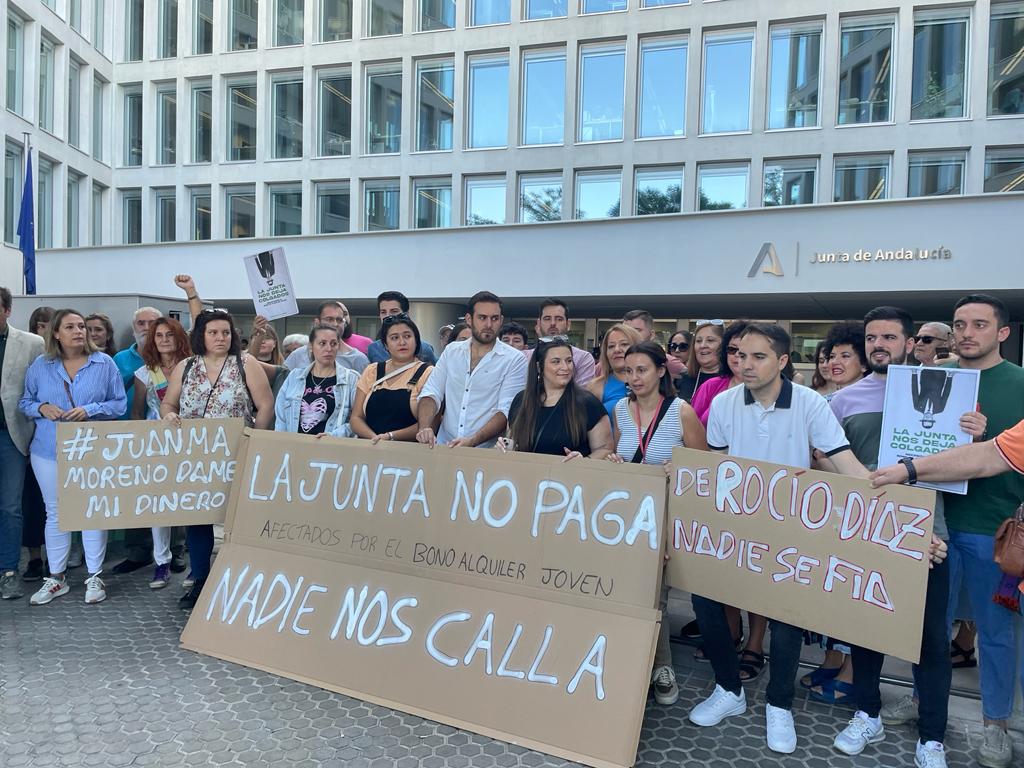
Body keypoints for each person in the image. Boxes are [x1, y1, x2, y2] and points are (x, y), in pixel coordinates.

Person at [688, 323, 870, 755]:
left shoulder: (810, 404)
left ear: (783, 361)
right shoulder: (726, 402)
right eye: (739, 355)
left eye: (758, 357)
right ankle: (729, 690)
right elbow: (716, 464)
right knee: (706, 602)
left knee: (785, 619)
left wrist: (899, 516)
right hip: (732, 530)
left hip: (790, 536)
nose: (745, 364)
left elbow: (848, 467)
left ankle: (779, 704)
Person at [882, 294, 1024, 768]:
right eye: (960, 324)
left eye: (980, 324)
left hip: (993, 529)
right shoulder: (926, 379)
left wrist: (984, 438)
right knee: (929, 628)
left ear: (1002, 332)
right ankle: (926, 702)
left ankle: (996, 724)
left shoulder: (1020, 383)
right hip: (931, 524)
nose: (967, 333)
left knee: (997, 631)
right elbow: (904, 440)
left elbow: (996, 457)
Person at [825, 306, 958, 767]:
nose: (879, 344)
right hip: (863, 533)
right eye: (872, 337)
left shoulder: (948, 391)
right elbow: (824, 461)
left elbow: (968, 458)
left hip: (929, 537)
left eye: (889, 336)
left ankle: (932, 737)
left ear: (910, 342)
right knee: (866, 631)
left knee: (930, 640)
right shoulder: (842, 400)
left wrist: (976, 429)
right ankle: (868, 714)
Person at [604, 341, 707, 707]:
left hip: (665, 516)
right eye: (628, 371)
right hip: (627, 516)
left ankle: (661, 667)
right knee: (627, 589)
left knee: (655, 593)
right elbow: (620, 454)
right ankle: (632, 661)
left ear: (661, 371)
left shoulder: (682, 412)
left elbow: (702, 467)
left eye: (642, 370)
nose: (634, 378)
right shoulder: (619, 408)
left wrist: (682, 468)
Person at [161, 309, 274, 610]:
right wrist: (170, 415)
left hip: (238, 453)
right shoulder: (186, 367)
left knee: (237, 519)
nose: (221, 338)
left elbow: (265, 406)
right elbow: (169, 403)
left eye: (226, 332)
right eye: (213, 332)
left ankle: (238, 582)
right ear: (201, 336)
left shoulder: (246, 364)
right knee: (197, 521)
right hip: (194, 458)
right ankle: (200, 579)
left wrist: (256, 441)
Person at [19, 310, 126, 605]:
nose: (79, 331)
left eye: (81, 326)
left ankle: (94, 576)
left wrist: (90, 410)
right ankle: (57, 578)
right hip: (48, 449)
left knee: (92, 509)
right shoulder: (41, 365)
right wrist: (41, 407)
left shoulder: (104, 364)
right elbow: (24, 401)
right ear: (56, 333)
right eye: (70, 327)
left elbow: (119, 404)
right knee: (56, 512)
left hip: (92, 449)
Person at [416, 291, 527, 449]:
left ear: (501, 320)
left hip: (485, 453)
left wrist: (472, 441)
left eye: (494, 318)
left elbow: (506, 410)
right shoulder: (451, 351)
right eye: (482, 318)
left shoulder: (514, 359)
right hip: (443, 447)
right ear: (469, 319)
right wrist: (424, 428)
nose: (489, 324)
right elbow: (431, 392)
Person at [131, 318, 192, 590]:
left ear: (180, 338)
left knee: (193, 503)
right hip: (158, 446)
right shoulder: (146, 373)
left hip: (192, 443)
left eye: (170, 334)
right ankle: (161, 561)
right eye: (159, 335)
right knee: (159, 505)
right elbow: (137, 412)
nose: (165, 339)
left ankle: (196, 563)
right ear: (152, 340)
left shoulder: (194, 368)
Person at [109, 305, 164, 576]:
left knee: (168, 494)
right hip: (131, 434)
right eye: (140, 323)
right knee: (137, 494)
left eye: (151, 322)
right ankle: (138, 551)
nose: (146, 327)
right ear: (134, 328)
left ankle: (170, 553)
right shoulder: (120, 358)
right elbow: (115, 390)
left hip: (165, 439)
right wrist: (142, 370)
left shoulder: (174, 357)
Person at [0, 287, 45, 600]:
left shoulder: (32, 343)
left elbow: (40, 390)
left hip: (11, 435)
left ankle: (9, 571)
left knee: (11, 507)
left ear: (7, 310)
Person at [504, 336, 611, 459]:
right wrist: (505, 446)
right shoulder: (520, 400)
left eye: (569, 361)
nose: (565, 367)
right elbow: (511, 439)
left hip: (571, 477)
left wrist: (584, 461)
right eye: (556, 361)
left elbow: (605, 449)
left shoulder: (588, 403)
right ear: (539, 367)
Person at [352, 314, 433, 442]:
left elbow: (431, 424)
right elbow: (356, 417)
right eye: (394, 338)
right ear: (385, 345)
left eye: (407, 336)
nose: (402, 342)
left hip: (410, 453)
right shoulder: (372, 370)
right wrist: (375, 439)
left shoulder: (428, 373)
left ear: (416, 340)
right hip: (370, 450)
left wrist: (390, 436)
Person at [275, 324, 359, 437]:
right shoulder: (294, 376)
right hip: (295, 446)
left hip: (331, 448)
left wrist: (333, 436)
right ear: (311, 346)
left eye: (333, 343)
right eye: (322, 343)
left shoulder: (351, 378)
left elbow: (358, 419)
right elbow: (281, 418)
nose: (328, 348)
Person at [689, 321, 749, 425]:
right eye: (732, 349)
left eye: (745, 350)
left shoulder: (773, 389)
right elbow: (690, 428)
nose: (738, 354)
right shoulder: (709, 386)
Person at [524, 299, 596, 385]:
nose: (553, 323)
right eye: (547, 319)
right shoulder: (523, 358)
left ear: (568, 324)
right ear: (539, 324)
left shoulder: (583, 358)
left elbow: (582, 395)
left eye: (559, 319)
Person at [284, 301, 369, 372]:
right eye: (329, 319)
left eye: (339, 320)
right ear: (317, 322)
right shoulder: (298, 355)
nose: (335, 324)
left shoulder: (358, 359)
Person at [585, 323, 642, 419]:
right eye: (611, 346)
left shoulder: (652, 383)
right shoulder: (595, 387)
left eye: (624, 344)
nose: (617, 350)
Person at [366, 291, 437, 364]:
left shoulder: (424, 349)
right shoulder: (373, 349)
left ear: (406, 313)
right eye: (383, 312)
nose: (388, 316)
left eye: (394, 311)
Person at [622, 309, 684, 378]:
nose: (630, 335)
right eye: (625, 332)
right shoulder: (616, 359)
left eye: (636, 331)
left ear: (651, 335)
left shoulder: (667, 361)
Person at [676, 320, 725, 401]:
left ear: (723, 344)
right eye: (698, 341)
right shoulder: (681, 378)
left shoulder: (733, 380)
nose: (702, 345)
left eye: (710, 340)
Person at [823, 321, 868, 397]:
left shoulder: (876, 400)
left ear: (864, 364)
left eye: (845, 356)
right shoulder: (822, 402)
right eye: (832, 357)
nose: (834, 362)